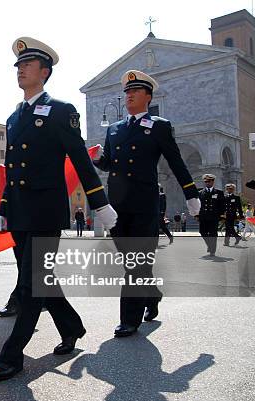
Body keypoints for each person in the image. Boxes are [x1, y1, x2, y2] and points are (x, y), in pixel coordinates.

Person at [0, 37, 118, 382]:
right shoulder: (14, 116)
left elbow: (80, 159)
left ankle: (12, 357)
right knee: (42, 280)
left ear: (44, 72)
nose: (20, 70)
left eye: (27, 65)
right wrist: (3, 206)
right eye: (18, 65)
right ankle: (71, 327)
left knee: (30, 283)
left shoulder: (62, 110)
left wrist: (100, 204)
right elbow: (11, 167)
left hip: (45, 210)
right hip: (19, 211)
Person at [94, 69, 200, 338]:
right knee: (131, 260)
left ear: (148, 97)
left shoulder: (160, 125)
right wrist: (97, 159)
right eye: (126, 92)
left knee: (135, 261)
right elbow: (110, 164)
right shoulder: (115, 129)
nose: (128, 95)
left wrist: (191, 193)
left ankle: (129, 319)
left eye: (134, 91)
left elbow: (175, 161)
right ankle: (151, 294)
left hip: (143, 204)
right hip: (117, 205)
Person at [198, 174, 225, 256]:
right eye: (205, 181)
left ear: (213, 182)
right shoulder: (200, 192)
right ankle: (210, 245)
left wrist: (222, 215)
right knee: (202, 232)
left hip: (214, 217)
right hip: (203, 216)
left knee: (213, 233)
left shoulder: (219, 192)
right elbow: (198, 205)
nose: (207, 183)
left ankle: (212, 250)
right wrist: (196, 214)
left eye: (209, 181)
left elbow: (222, 205)